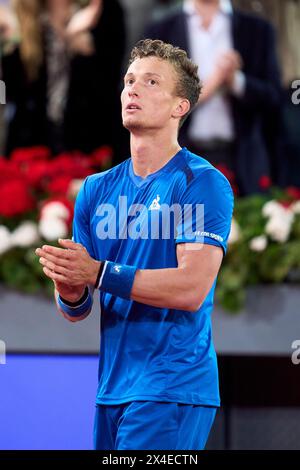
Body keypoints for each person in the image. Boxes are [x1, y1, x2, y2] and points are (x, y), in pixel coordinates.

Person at [35, 39, 234, 450]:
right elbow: (79, 308)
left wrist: (98, 273)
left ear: (180, 106)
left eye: (150, 81)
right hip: (111, 389)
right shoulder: (95, 189)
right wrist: (70, 290)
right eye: (129, 81)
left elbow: (191, 289)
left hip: (173, 386)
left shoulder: (201, 182)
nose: (133, 89)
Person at [144, 0, 283, 195]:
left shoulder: (257, 29)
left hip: (241, 162)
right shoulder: (160, 31)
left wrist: (236, 81)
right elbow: (150, 101)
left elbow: (274, 97)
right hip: (180, 158)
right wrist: (215, 81)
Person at [0, 0, 126, 158]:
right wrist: (10, 41)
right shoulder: (22, 15)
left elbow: (109, 85)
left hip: (90, 145)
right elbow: (9, 94)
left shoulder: (101, 9)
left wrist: (80, 47)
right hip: (34, 150)